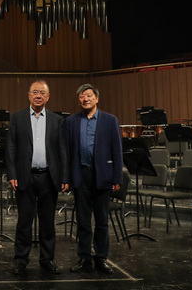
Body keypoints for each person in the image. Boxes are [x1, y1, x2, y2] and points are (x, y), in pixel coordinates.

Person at [6, 80, 69, 275]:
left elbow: (62, 150)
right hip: (25, 176)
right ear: (29, 95)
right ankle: (20, 259)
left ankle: (47, 259)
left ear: (48, 97)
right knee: (24, 221)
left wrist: (64, 176)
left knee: (47, 221)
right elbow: (11, 147)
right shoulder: (17, 118)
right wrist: (12, 174)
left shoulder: (57, 120)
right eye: (35, 92)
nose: (38, 95)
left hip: (49, 177)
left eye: (42, 92)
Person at [64, 84, 123, 275]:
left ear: (97, 98)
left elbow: (117, 150)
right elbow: (67, 152)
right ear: (79, 100)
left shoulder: (110, 120)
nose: (85, 99)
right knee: (82, 221)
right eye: (82, 96)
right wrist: (67, 177)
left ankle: (101, 258)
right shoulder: (71, 121)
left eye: (89, 95)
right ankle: (84, 257)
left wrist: (117, 177)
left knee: (102, 220)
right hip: (80, 175)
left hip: (102, 175)